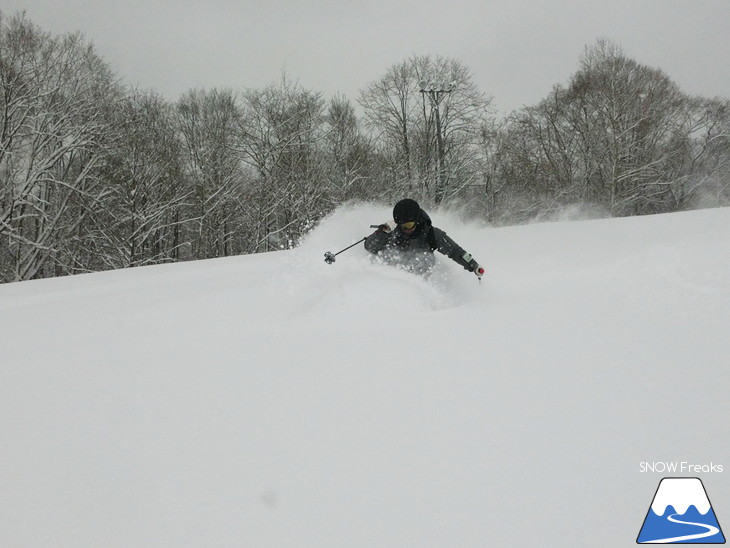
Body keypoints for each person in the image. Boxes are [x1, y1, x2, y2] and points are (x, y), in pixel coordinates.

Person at [364, 198, 485, 278]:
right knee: (386, 253)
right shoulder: (393, 231)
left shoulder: (431, 234)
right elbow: (369, 246)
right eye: (402, 226)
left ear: (417, 221)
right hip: (391, 274)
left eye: (409, 225)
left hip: (417, 277)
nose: (405, 229)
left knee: (426, 259)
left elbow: (455, 251)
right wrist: (382, 232)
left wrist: (473, 266)